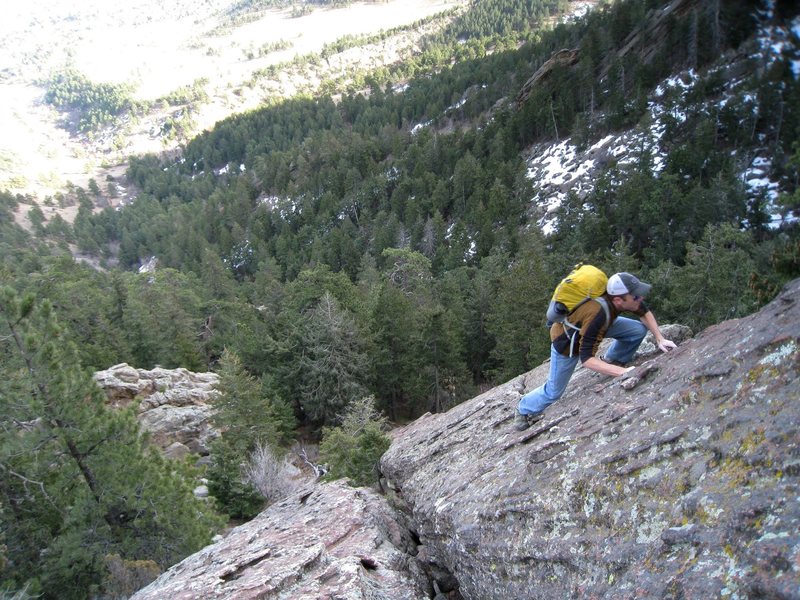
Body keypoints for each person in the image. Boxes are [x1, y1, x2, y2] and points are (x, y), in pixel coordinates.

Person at [514, 272, 676, 431]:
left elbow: (644, 312)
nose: (640, 298)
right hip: (568, 341)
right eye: (636, 297)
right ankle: (523, 408)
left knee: (637, 331)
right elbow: (587, 359)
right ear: (619, 300)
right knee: (553, 391)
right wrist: (624, 372)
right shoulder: (598, 313)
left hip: (598, 325)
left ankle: (613, 360)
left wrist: (660, 338)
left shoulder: (618, 296)